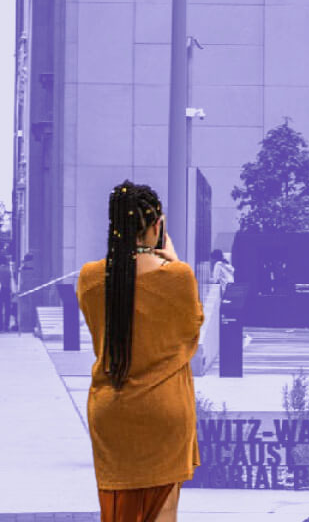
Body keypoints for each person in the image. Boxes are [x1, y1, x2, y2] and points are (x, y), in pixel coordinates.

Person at [76, 181, 204, 522]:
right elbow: (192, 327)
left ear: (114, 226)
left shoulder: (89, 278)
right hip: (165, 411)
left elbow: (98, 330)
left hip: (112, 412)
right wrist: (173, 263)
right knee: (164, 513)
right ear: (156, 227)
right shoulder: (178, 277)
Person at [0, 252, 14, 332]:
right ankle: (6, 325)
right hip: (7, 290)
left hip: (0, 290)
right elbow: (11, 280)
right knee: (8, 308)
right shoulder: (8, 269)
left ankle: (0, 326)